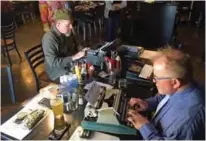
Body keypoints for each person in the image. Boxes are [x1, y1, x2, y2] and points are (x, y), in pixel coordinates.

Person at [127, 47, 205, 140]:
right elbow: (166, 95)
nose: (154, 81)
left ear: (175, 82)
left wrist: (144, 127)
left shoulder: (187, 122)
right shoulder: (185, 86)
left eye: (157, 78)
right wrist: (147, 104)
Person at [42, 9, 88, 82]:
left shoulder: (67, 31)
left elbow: (77, 44)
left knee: (89, 70)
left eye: (71, 24)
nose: (71, 27)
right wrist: (74, 57)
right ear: (58, 25)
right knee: (80, 80)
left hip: (69, 63)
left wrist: (81, 49)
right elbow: (53, 63)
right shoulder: (49, 38)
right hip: (56, 71)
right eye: (68, 24)